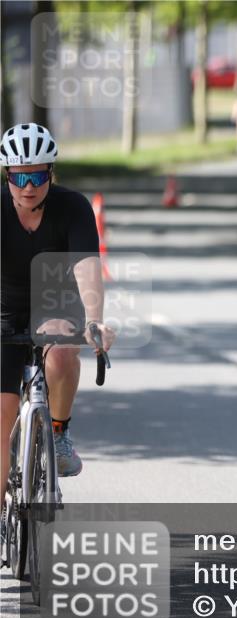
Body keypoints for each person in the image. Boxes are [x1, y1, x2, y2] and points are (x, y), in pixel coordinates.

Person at [0, 123, 116, 500]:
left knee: (63, 353)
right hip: (4, 308)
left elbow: (86, 267)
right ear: (7, 175)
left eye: (37, 176)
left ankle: (58, 432)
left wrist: (95, 320)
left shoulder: (73, 207)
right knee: (2, 416)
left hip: (55, 302)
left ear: (51, 173)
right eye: (19, 177)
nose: (28, 186)